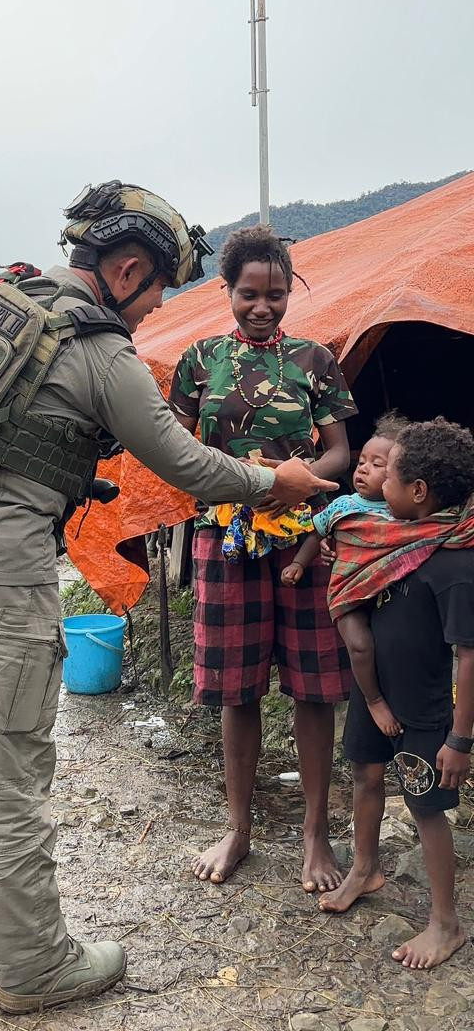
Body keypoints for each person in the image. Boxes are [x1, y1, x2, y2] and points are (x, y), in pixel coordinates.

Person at [0, 183, 335, 1013]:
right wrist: (273, 481)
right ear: (127, 270)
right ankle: (34, 966)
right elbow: (186, 463)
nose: (156, 308)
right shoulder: (98, 348)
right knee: (8, 776)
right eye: (157, 290)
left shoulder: (2, 298)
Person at [169, 226, 356, 892]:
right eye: (249, 293)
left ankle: (315, 833)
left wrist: (298, 480)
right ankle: (239, 829)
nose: (262, 306)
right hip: (225, 537)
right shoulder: (199, 359)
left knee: (314, 686)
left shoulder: (314, 359)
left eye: (275, 294)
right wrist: (240, 481)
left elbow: (341, 451)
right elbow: (176, 447)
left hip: (304, 538)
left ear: (288, 293)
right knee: (235, 686)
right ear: (227, 290)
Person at [318, 418, 474, 971]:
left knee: (426, 808)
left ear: (419, 491)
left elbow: (470, 655)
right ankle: (365, 868)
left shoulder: (454, 561)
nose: (380, 484)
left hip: (425, 711)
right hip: (373, 693)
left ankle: (445, 923)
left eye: (391, 477)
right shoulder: (383, 539)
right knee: (364, 775)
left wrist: (460, 738)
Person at [281, 415, 406, 738]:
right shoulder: (343, 505)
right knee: (360, 646)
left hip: (389, 599)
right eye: (361, 461)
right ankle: (373, 699)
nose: (362, 469)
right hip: (348, 594)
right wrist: (299, 563)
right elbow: (317, 533)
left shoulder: (403, 513)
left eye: (376, 465)